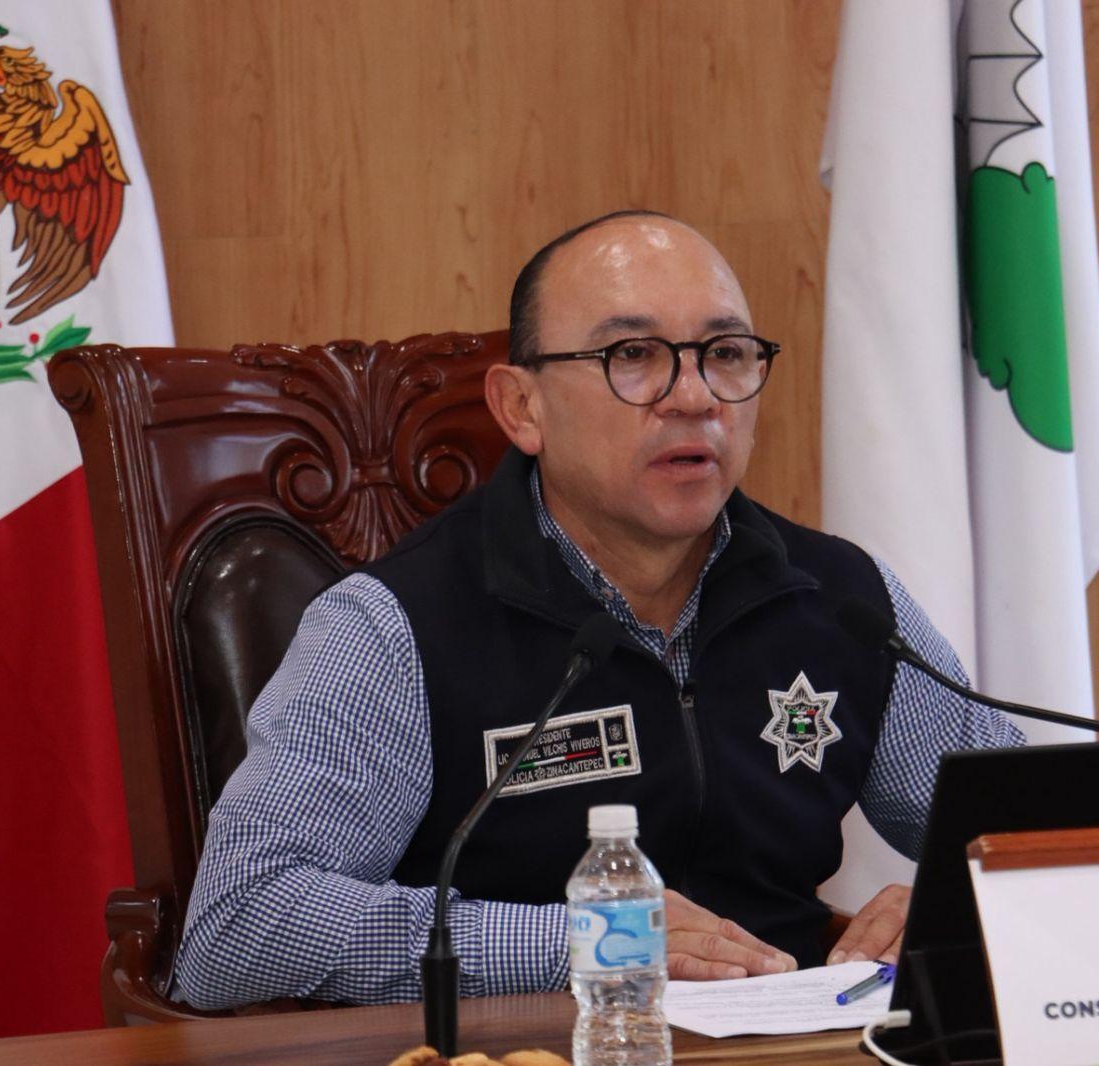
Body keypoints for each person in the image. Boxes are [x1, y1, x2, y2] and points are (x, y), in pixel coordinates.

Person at [172, 210, 1024, 1010]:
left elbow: (1041, 837)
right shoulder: (395, 628)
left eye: (726, 353)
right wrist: (593, 943)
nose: (695, 396)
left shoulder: (841, 600)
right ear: (522, 407)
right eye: (635, 355)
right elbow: (237, 925)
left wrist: (957, 904)